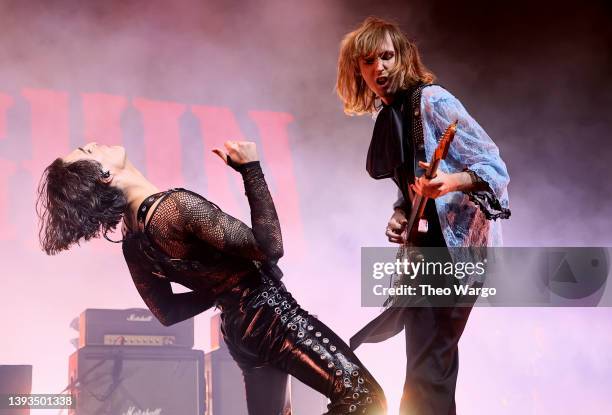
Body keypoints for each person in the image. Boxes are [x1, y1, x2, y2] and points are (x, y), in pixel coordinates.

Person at [37, 140, 387, 415]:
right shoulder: (175, 207)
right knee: (366, 400)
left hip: (239, 333)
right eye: (87, 150)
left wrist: (222, 286)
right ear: (105, 176)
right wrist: (251, 169)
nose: (95, 143)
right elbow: (271, 247)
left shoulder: (133, 240)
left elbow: (168, 312)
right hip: (274, 319)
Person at [336, 17, 510, 414]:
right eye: (367, 61)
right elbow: (409, 188)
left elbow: (494, 167)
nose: (378, 68)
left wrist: (450, 182)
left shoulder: (433, 100)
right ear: (357, 69)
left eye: (386, 56)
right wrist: (400, 213)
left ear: (403, 58)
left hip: (454, 257)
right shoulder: (393, 113)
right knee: (428, 370)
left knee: (428, 372)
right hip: (423, 257)